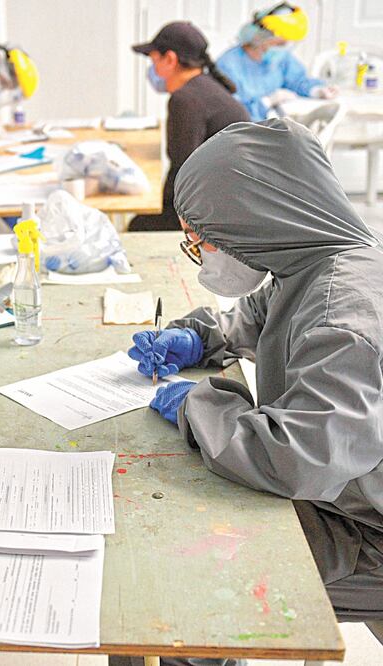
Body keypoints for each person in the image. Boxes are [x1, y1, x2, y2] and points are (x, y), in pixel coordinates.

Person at [124, 118, 383, 666]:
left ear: (253, 221)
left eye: (204, 239)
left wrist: (198, 405)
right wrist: (200, 337)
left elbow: (298, 459)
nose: (202, 252)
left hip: (367, 532)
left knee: (177, 586)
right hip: (347, 494)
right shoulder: (316, 259)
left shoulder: (343, 318)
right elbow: (259, 316)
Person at [129, 22, 249, 231]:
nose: (152, 68)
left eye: (154, 60)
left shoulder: (185, 99)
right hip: (234, 201)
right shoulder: (206, 87)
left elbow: (183, 169)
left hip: (220, 212)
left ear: (170, 59)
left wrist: (160, 208)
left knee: (139, 226)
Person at [217, 2, 336, 121]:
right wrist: (267, 101)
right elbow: (230, 113)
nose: (284, 48)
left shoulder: (279, 58)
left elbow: (297, 80)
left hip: (274, 123)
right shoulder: (227, 66)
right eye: (280, 44)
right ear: (260, 37)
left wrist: (317, 91)